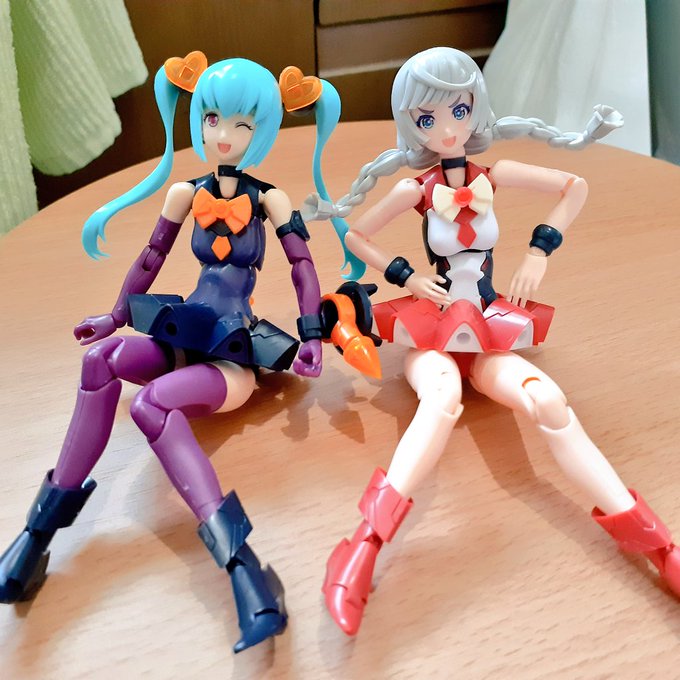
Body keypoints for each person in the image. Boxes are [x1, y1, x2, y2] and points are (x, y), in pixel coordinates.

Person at [307, 46, 680, 635]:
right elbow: (356, 236)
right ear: (411, 123)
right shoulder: (415, 189)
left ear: (476, 107)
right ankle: (364, 546)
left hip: (485, 323)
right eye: (428, 118)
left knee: (548, 401)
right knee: (441, 398)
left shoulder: (495, 176)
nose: (447, 128)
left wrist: (539, 250)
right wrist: (406, 275)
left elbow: (575, 186)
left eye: (459, 110)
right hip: (434, 330)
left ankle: (658, 545)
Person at [0, 53, 344, 653]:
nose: (223, 135)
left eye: (241, 124)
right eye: (212, 119)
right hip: (183, 331)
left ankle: (244, 566)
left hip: (232, 355)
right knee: (99, 362)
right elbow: (151, 258)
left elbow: (303, 269)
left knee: (151, 405)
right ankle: (38, 533)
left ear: (262, 129)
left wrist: (311, 335)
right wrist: (114, 317)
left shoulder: (271, 200)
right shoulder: (187, 192)